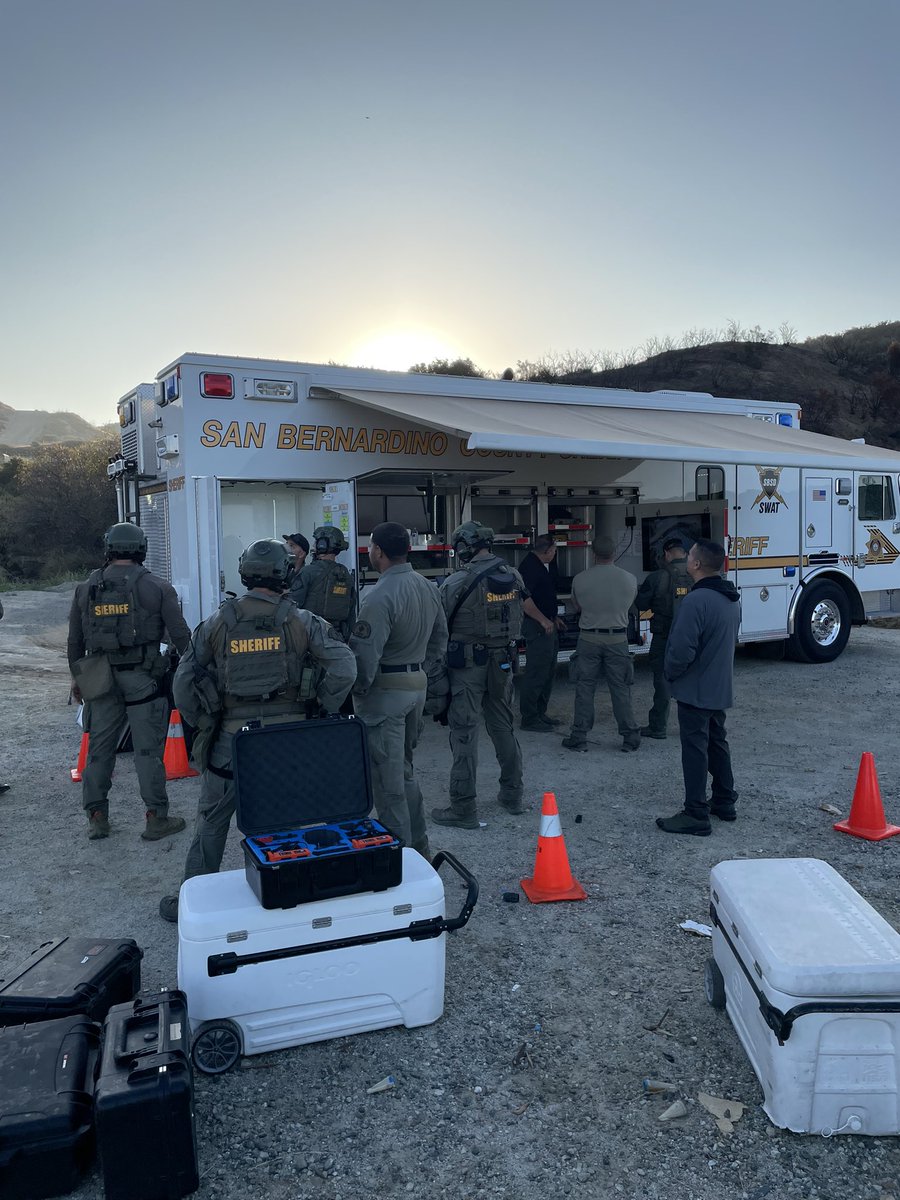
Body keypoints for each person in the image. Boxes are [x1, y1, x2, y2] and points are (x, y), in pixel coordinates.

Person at [158, 538, 356, 921]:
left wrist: (205, 721)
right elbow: (345, 668)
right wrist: (321, 708)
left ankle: (193, 902)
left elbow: (182, 683)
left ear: (245, 573)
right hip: (292, 741)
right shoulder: (302, 621)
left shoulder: (217, 622)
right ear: (285, 573)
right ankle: (291, 891)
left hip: (232, 742)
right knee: (290, 818)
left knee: (212, 821)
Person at [67, 522, 191, 840]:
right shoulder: (158, 587)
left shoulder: (86, 588)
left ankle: (97, 817)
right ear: (142, 549)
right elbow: (180, 636)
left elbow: (75, 643)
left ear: (108, 548)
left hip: (101, 681)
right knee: (147, 753)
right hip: (144, 681)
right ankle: (155, 818)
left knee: (99, 752)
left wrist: (78, 680)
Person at [431, 521, 549, 829]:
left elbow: (438, 624)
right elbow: (524, 605)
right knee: (503, 726)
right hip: (503, 662)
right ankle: (512, 796)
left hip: (467, 667)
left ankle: (463, 807)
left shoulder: (456, 582)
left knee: (464, 732)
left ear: (463, 548)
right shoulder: (513, 575)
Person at [349, 522, 448, 859]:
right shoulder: (427, 586)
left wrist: (355, 693)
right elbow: (440, 639)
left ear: (377, 550)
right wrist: (422, 670)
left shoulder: (378, 596)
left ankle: (401, 860)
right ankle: (419, 847)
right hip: (415, 685)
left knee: (387, 782)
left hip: (385, 695)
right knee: (403, 771)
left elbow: (365, 659)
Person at [656, 539, 741, 836]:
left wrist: (669, 673)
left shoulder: (696, 600)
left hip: (696, 689)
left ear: (696, 564)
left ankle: (695, 813)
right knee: (717, 742)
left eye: (690, 555)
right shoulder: (730, 597)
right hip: (719, 687)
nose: (687, 558)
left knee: (694, 750)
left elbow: (681, 650)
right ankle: (724, 800)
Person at [562, 534, 641, 753]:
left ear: (593, 554)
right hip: (617, 639)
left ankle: (579, 736)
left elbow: (577, 606)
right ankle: (630, 737)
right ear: (614, 553)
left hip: (588, 638)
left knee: (584, 688)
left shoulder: (580, 579)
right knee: (620, 689)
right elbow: (629, 605)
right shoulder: (629, 579)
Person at [636, 536, 691, 739]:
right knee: (691, 680)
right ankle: (692, 726)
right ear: (685, 553)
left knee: (662, 682)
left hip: (663, 637)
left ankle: (658, 727)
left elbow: (641, 604)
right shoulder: (696, 574)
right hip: (690, 638)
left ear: (667, 554)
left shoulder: (658, 577)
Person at [517, 534, 567, 731]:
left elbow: (541, 597)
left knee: (548, 671)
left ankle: (540, 712)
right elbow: (524, 601)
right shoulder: (529, 568)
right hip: (537, 628)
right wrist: (543, 620)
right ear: (546, 550)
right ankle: (529, 718)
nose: (555, 554)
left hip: (546, 624)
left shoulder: (539, 566)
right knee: (537, 672)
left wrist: (553, 618)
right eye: (554, 550)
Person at [289, 525, 356, 640]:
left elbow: (292, 607)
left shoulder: (308, 572)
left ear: (322, 544)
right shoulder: (346, 575)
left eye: (316, 542)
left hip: (310, 637)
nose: (314, 545)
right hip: (337, 639)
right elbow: (351, 616)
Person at [283, 531, 310, 601]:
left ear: (301, 554)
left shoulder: (306, 576)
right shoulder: (281, 571)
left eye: (291, 546)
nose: (286, 548)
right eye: (286, 545)